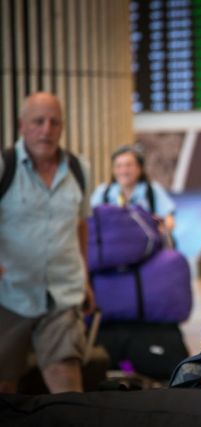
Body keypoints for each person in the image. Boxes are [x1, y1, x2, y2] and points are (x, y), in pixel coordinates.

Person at [0, 92, 95, 393]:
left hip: (62, 295)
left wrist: (85, 280)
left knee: (67, 383)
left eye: (54, 123)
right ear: (22, 126)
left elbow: (80, 225)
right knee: (5, 385)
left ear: (62, 127)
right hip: (10, 295)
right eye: (38, 122)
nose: (46, 130)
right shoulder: (5, 166)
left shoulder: (79, 169)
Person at [91, 145, 176, 237]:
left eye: (128, 165)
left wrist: (160, 228)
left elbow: (169, 221)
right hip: (112, 243)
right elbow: (90, 220)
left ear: (140, 168)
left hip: (145, 244)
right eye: (118, 166)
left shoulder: (151, 190)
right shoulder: (103, 192)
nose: (123, 171)